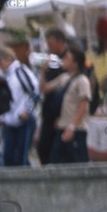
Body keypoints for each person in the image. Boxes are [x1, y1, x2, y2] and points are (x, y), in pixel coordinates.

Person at [0, 46, 38, 168]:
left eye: (0, 61)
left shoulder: (20, 71)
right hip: (11, 121)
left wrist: (27, 111)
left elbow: (35, 91)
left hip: (23, 120)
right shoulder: (6, 76)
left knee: (21, 157)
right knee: (8, 157)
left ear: (8, 59)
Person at [53, 46, 93, 164]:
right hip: (62, 126)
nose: (63, 60)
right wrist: (43, 71)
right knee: (56, 162)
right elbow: (44, 88)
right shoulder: (63, 78)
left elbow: (83, 104)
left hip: (76, 129)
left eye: (67, 58)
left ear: (75, 63)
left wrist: (72, 127)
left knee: (78, 164)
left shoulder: (82, 80)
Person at [36, 29, 70, 164]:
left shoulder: (68, 59)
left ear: (60, 42)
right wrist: (43, 72)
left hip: (62, 112)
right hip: (49, 111)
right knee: (43, 148)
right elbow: (43, 89)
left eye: (50, 43)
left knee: (58, 151)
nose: (48, 47)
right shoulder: (51, 60)